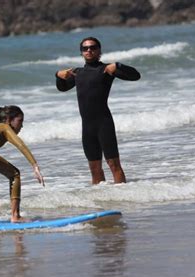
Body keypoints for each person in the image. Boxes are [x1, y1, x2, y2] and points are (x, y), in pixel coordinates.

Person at [55, 37, 140, 184]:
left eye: (93, 47)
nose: (89, 50)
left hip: (104, 124)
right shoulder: (77, 73)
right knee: (94, 168)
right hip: (87, 127)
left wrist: (118, 65)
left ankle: (123, 197)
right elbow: (62, 88)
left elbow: (136, 76)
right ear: (81, 52)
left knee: (114, 165)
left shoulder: (106, 69)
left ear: (99, 51)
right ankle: (102, 202)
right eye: (85, 48)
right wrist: (58, 75)